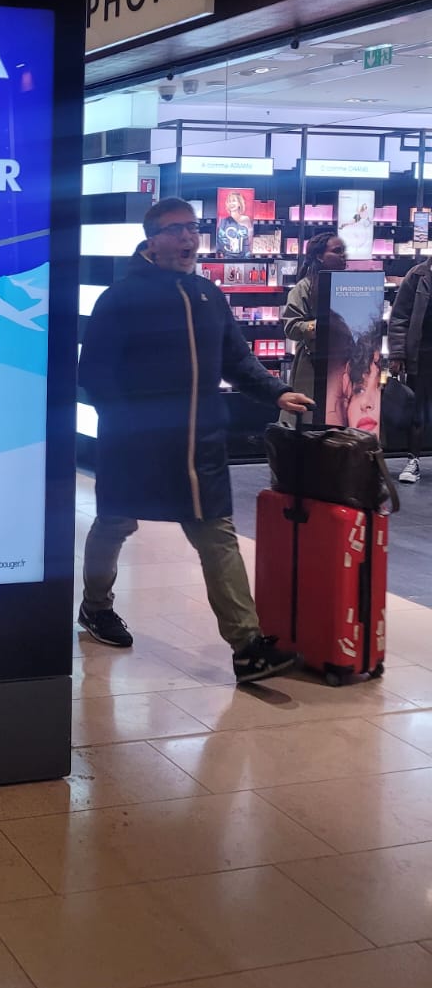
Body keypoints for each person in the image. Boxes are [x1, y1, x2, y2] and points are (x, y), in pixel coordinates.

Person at [77, 197, 314, 685]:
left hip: (200, 444)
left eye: (192, 228)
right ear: (151, 241)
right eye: (175, 230)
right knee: (115, 522)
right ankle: (96, 607)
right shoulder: (120, 299)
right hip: (134, 444)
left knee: (216, 534)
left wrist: (277, 391)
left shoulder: (209, 295)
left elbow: (237, 360)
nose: (188, 238)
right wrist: (125, 422)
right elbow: (94, 374)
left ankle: (248, 648)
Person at [280, 232, 347, 423]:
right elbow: (291, 327)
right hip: (313, 365)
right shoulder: (304, 288)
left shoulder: (350, 287)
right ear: (319, 256)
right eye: (337, 251)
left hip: (343, 364)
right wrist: (321, 326)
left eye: (343, 251)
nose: (343, 255)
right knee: (309, 419)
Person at [387, 254, 432, 483]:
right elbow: (399, 318)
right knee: (417, 411)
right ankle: (413, 461)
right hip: (422, 354)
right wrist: (397, 353)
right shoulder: (417, 275)